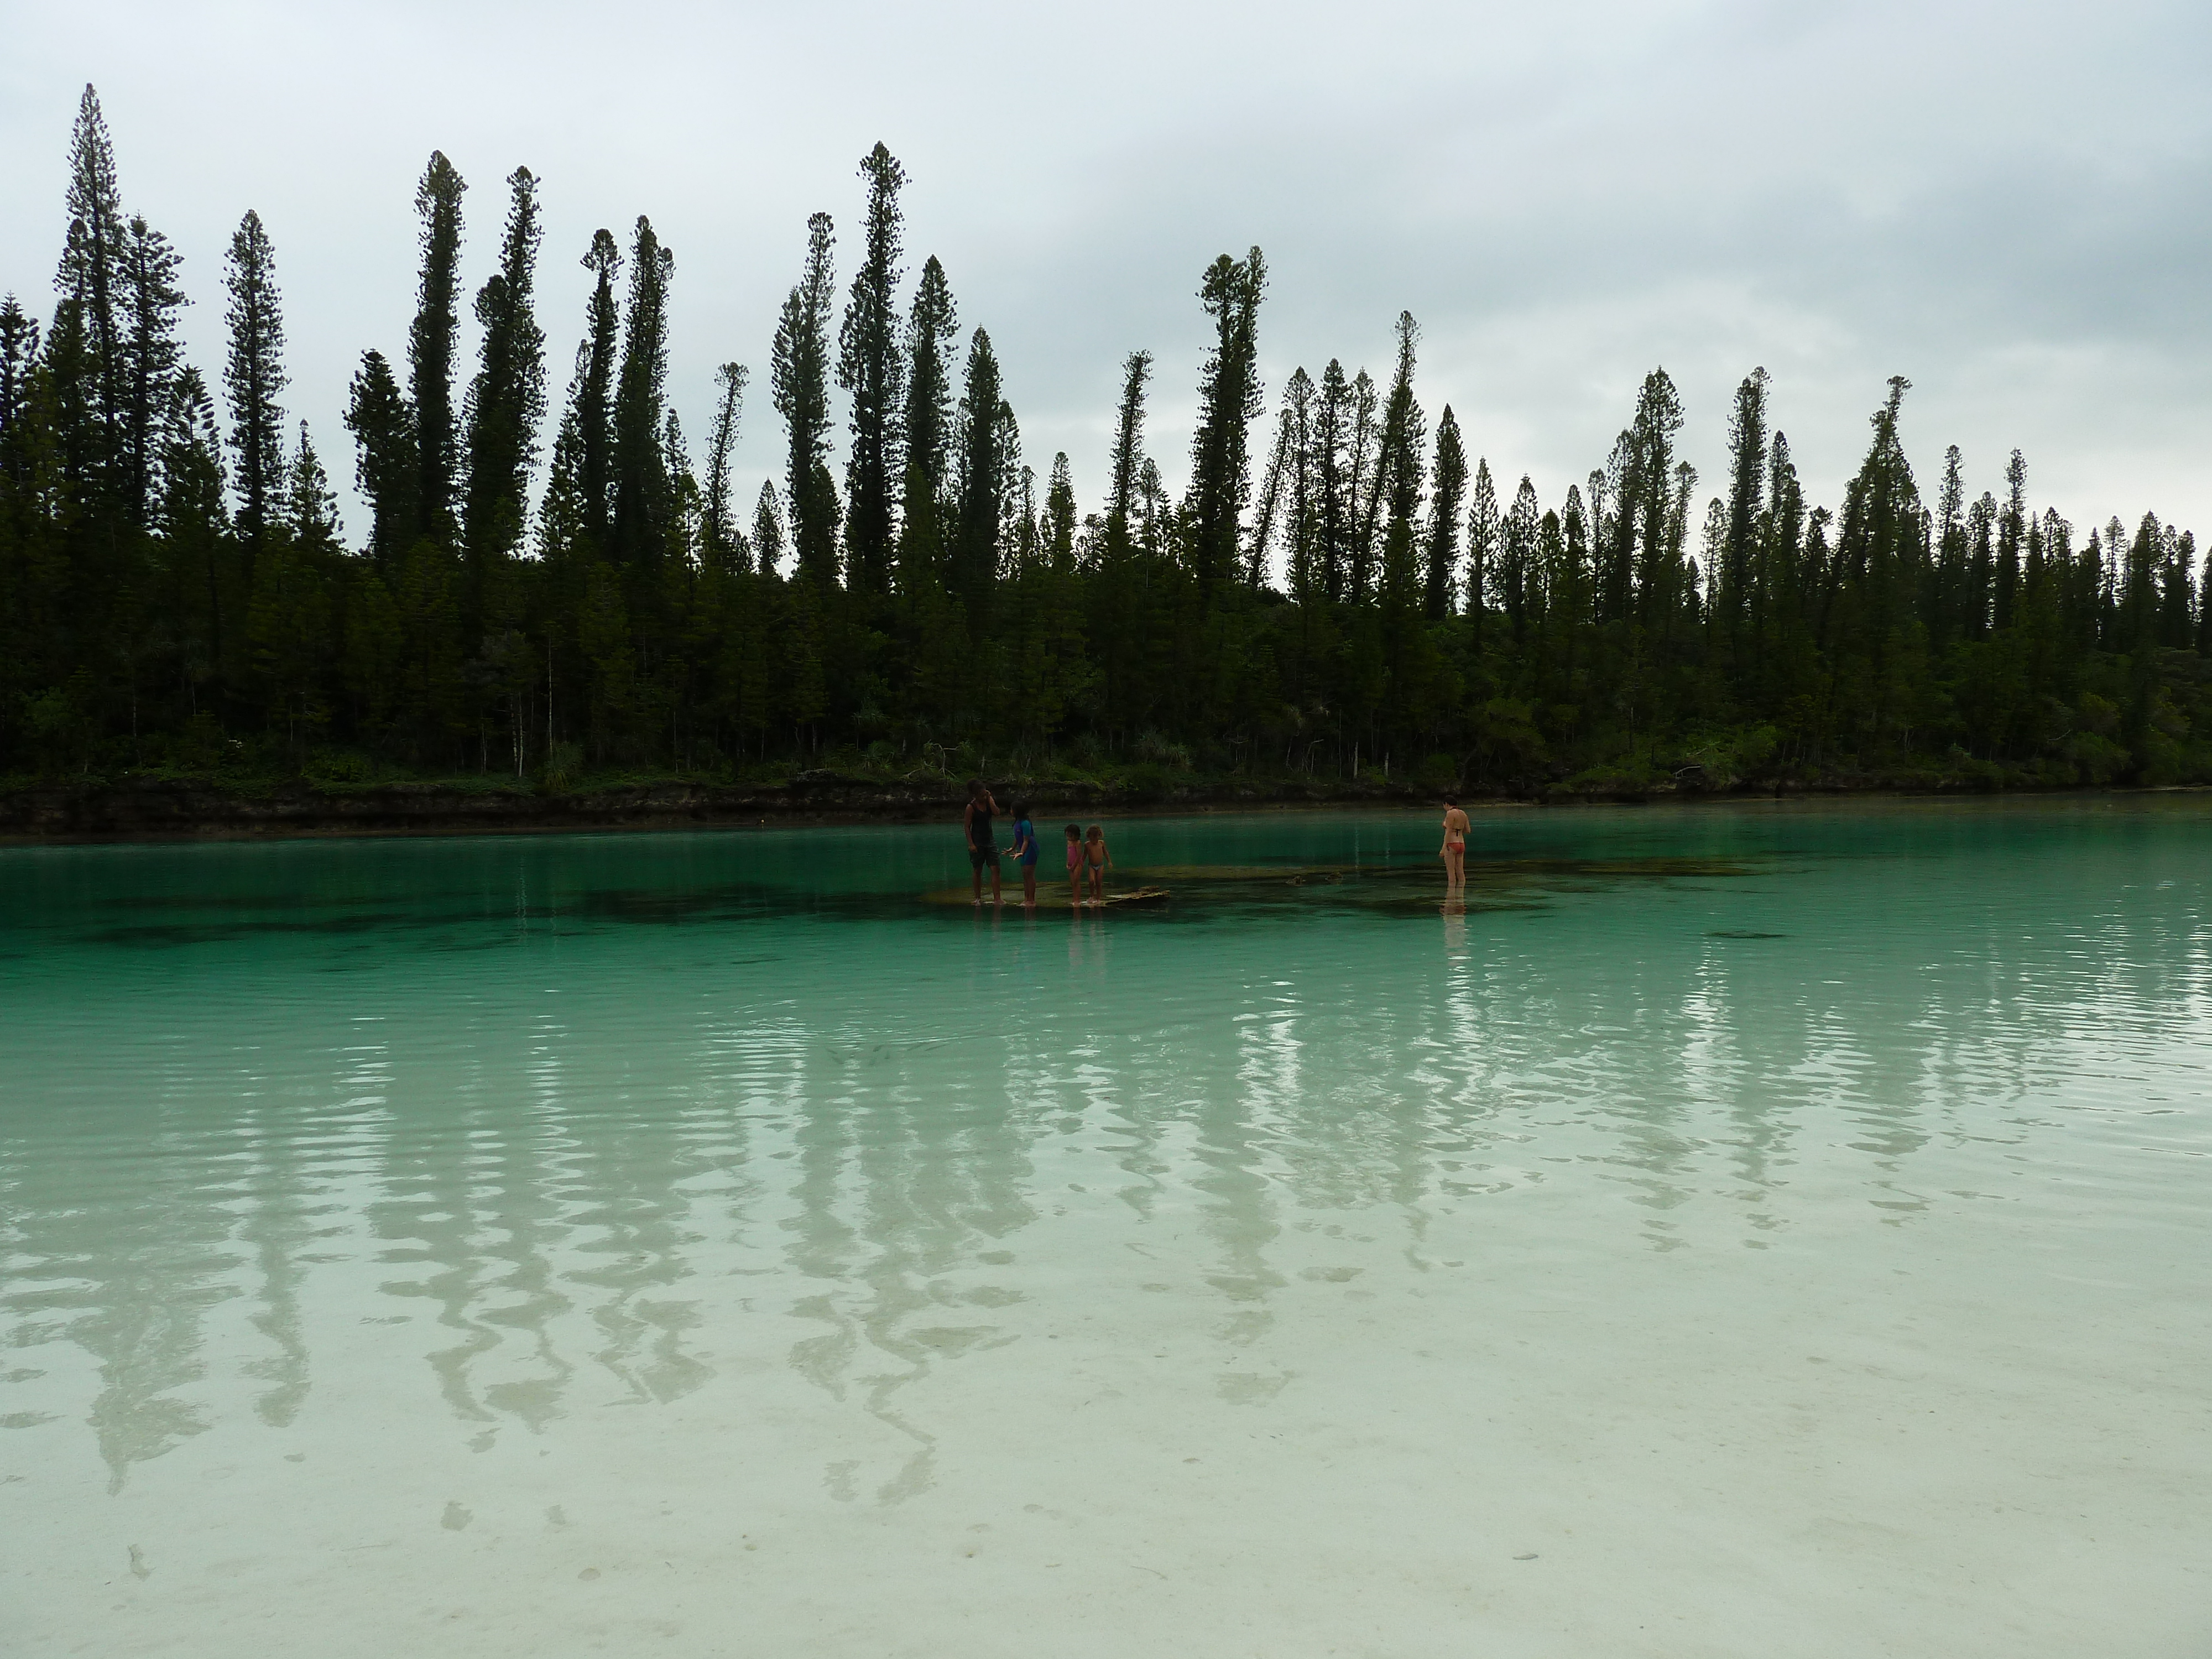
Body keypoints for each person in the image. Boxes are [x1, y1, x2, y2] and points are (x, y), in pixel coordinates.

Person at [964, 779, 1004, 906]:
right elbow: (967, 826)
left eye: (985, 794)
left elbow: (997, 813)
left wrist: (991, 799)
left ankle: (997, 898)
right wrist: (971, 844)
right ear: (975, 795)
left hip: (989, 840)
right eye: (981, 795)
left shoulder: (988, 803)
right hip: (977, 841)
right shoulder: (971, 807)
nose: (984, 797)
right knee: (978, 869)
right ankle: (978, 898)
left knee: (995, 868)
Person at [1007, 801, 1040, 907]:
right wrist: (1012, 848)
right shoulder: (1017, 822)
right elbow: (1018, 838)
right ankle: (1026, 898)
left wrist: (1022, 852)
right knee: (1025, 875)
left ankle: (1032, 900)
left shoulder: (1025, 823)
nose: (1010, 811)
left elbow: (1026, 840)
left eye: (1012, 809)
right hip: (1023, 850)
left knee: (1029, 874)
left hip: (1030, 849)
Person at [1438, 793, 1469, 898]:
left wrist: (1443, 848)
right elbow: (1468, 830)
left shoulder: (1450, 813)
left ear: (1446, 804)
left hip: (1452, 843)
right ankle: (1461, 897)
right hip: (1461, 843)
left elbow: (1448, 831)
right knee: (1460, 872)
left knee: (1451, 873)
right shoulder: (1463, 813)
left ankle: (1451, 899)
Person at [1084, 823, 1111, 902]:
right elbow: (1085, 855)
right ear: (1089, 836)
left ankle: (1098, 898)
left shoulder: (1101, 843)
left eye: (1096, 837)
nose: (1095, 839)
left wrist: (1109, 862)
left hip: (1100, 865)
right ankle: (1092, 896)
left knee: (1099, 881)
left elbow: (1106, 853)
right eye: (1093, 838)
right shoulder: (1087, 845)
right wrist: (1081, 863)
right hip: (1091, 866)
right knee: (1092, 881)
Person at [1063, 823, 1086, 906]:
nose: (1069, 837)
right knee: (1073, 883)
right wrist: (1068, 863)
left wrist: (1074, 866)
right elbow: (1069, 853)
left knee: (1077, 881)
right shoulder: (1069, 842)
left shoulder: (1078, 843)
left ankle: (1078, 900)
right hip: (1071, 863)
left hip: (1077, 864)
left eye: (1071, 835)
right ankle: (1074, 898)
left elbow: (1079, 855)